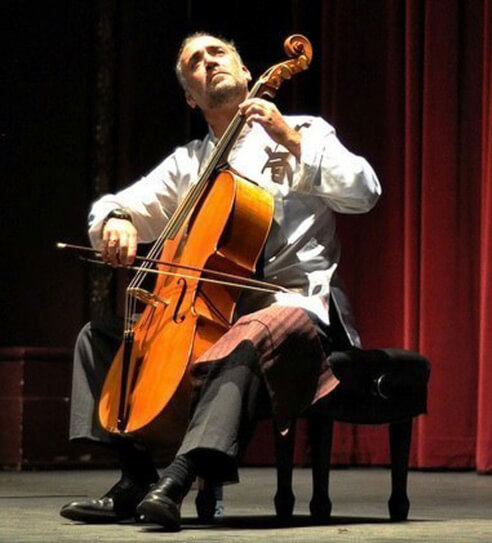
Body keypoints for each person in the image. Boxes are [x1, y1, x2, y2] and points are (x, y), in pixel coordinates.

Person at [60, 32, 380, 529]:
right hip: (212, 310)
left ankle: (180, 477)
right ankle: (135, 477)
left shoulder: (305, 131)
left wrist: (292, 143)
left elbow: (366, 191)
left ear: (247, 71)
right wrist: (115, 221)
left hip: (296, 309)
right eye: (194, 61)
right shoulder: (191, 163)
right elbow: (116, 205)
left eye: (218, 52)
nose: (208, 62)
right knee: (100, 338)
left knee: (249, 336)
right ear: (190, 95)